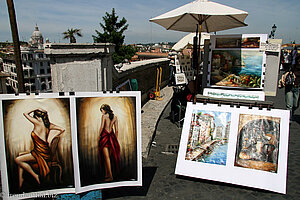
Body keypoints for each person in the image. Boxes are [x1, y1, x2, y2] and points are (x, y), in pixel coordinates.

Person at [14, 109, 65, 189]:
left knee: (17, 160)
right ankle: (21, 181)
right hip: (44, 152)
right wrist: (51, 139)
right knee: (21, 155)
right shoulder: (49, 125)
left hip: (40, 153)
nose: (35, 118)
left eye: (35, 116)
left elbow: (25, 113)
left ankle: (35, 176)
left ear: (37, 117)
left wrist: (36, 108)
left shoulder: (37, 123)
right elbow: (62, 129)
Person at [98, 104, 120, 182]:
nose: (102, 112)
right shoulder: (115, 117)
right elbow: (116, 130)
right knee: (108, 157)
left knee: (106, 157)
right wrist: (115, 140)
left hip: (105, 137)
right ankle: (107, 175)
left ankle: (110, 176)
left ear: (105, 109)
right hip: (112, 137)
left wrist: (98, 136)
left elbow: (101, 127)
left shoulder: (104, 117)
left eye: (102, 110)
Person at [279, 45, 299, 120]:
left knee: (295, 104)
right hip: (289, 85)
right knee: (289, 105)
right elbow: (286, 70)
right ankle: (288, 119)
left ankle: (291, 113)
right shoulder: (291, 64)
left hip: (297, 86)